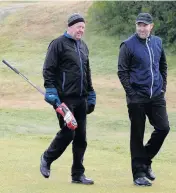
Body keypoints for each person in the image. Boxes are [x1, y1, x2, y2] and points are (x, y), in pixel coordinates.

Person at [40, 13, 96, 185]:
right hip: (64, 99)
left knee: (81, 137)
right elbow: (48, 70)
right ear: (70, 26)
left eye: (83, 28)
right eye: (79, 27)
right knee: (69, 131)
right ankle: (47, 158)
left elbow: (87, 72)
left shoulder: (83, 46)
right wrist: (50, 90)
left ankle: (78, 174)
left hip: (81, 98)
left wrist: (91, 93)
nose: (81, 30)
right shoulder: (57, 44)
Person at [118, 13, 170, 186]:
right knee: (137, 135)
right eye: (139, 25)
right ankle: (138, 174)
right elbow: (122, 72)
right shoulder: (128, 45)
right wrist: (131, 94)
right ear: (136, 26)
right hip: (137, 98)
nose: (141, 28)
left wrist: (163, 88)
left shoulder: (157, 42)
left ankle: (145, 160)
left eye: (145, 25)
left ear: (151, 26)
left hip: (156, 96)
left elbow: (162, 65)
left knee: (163, 128)